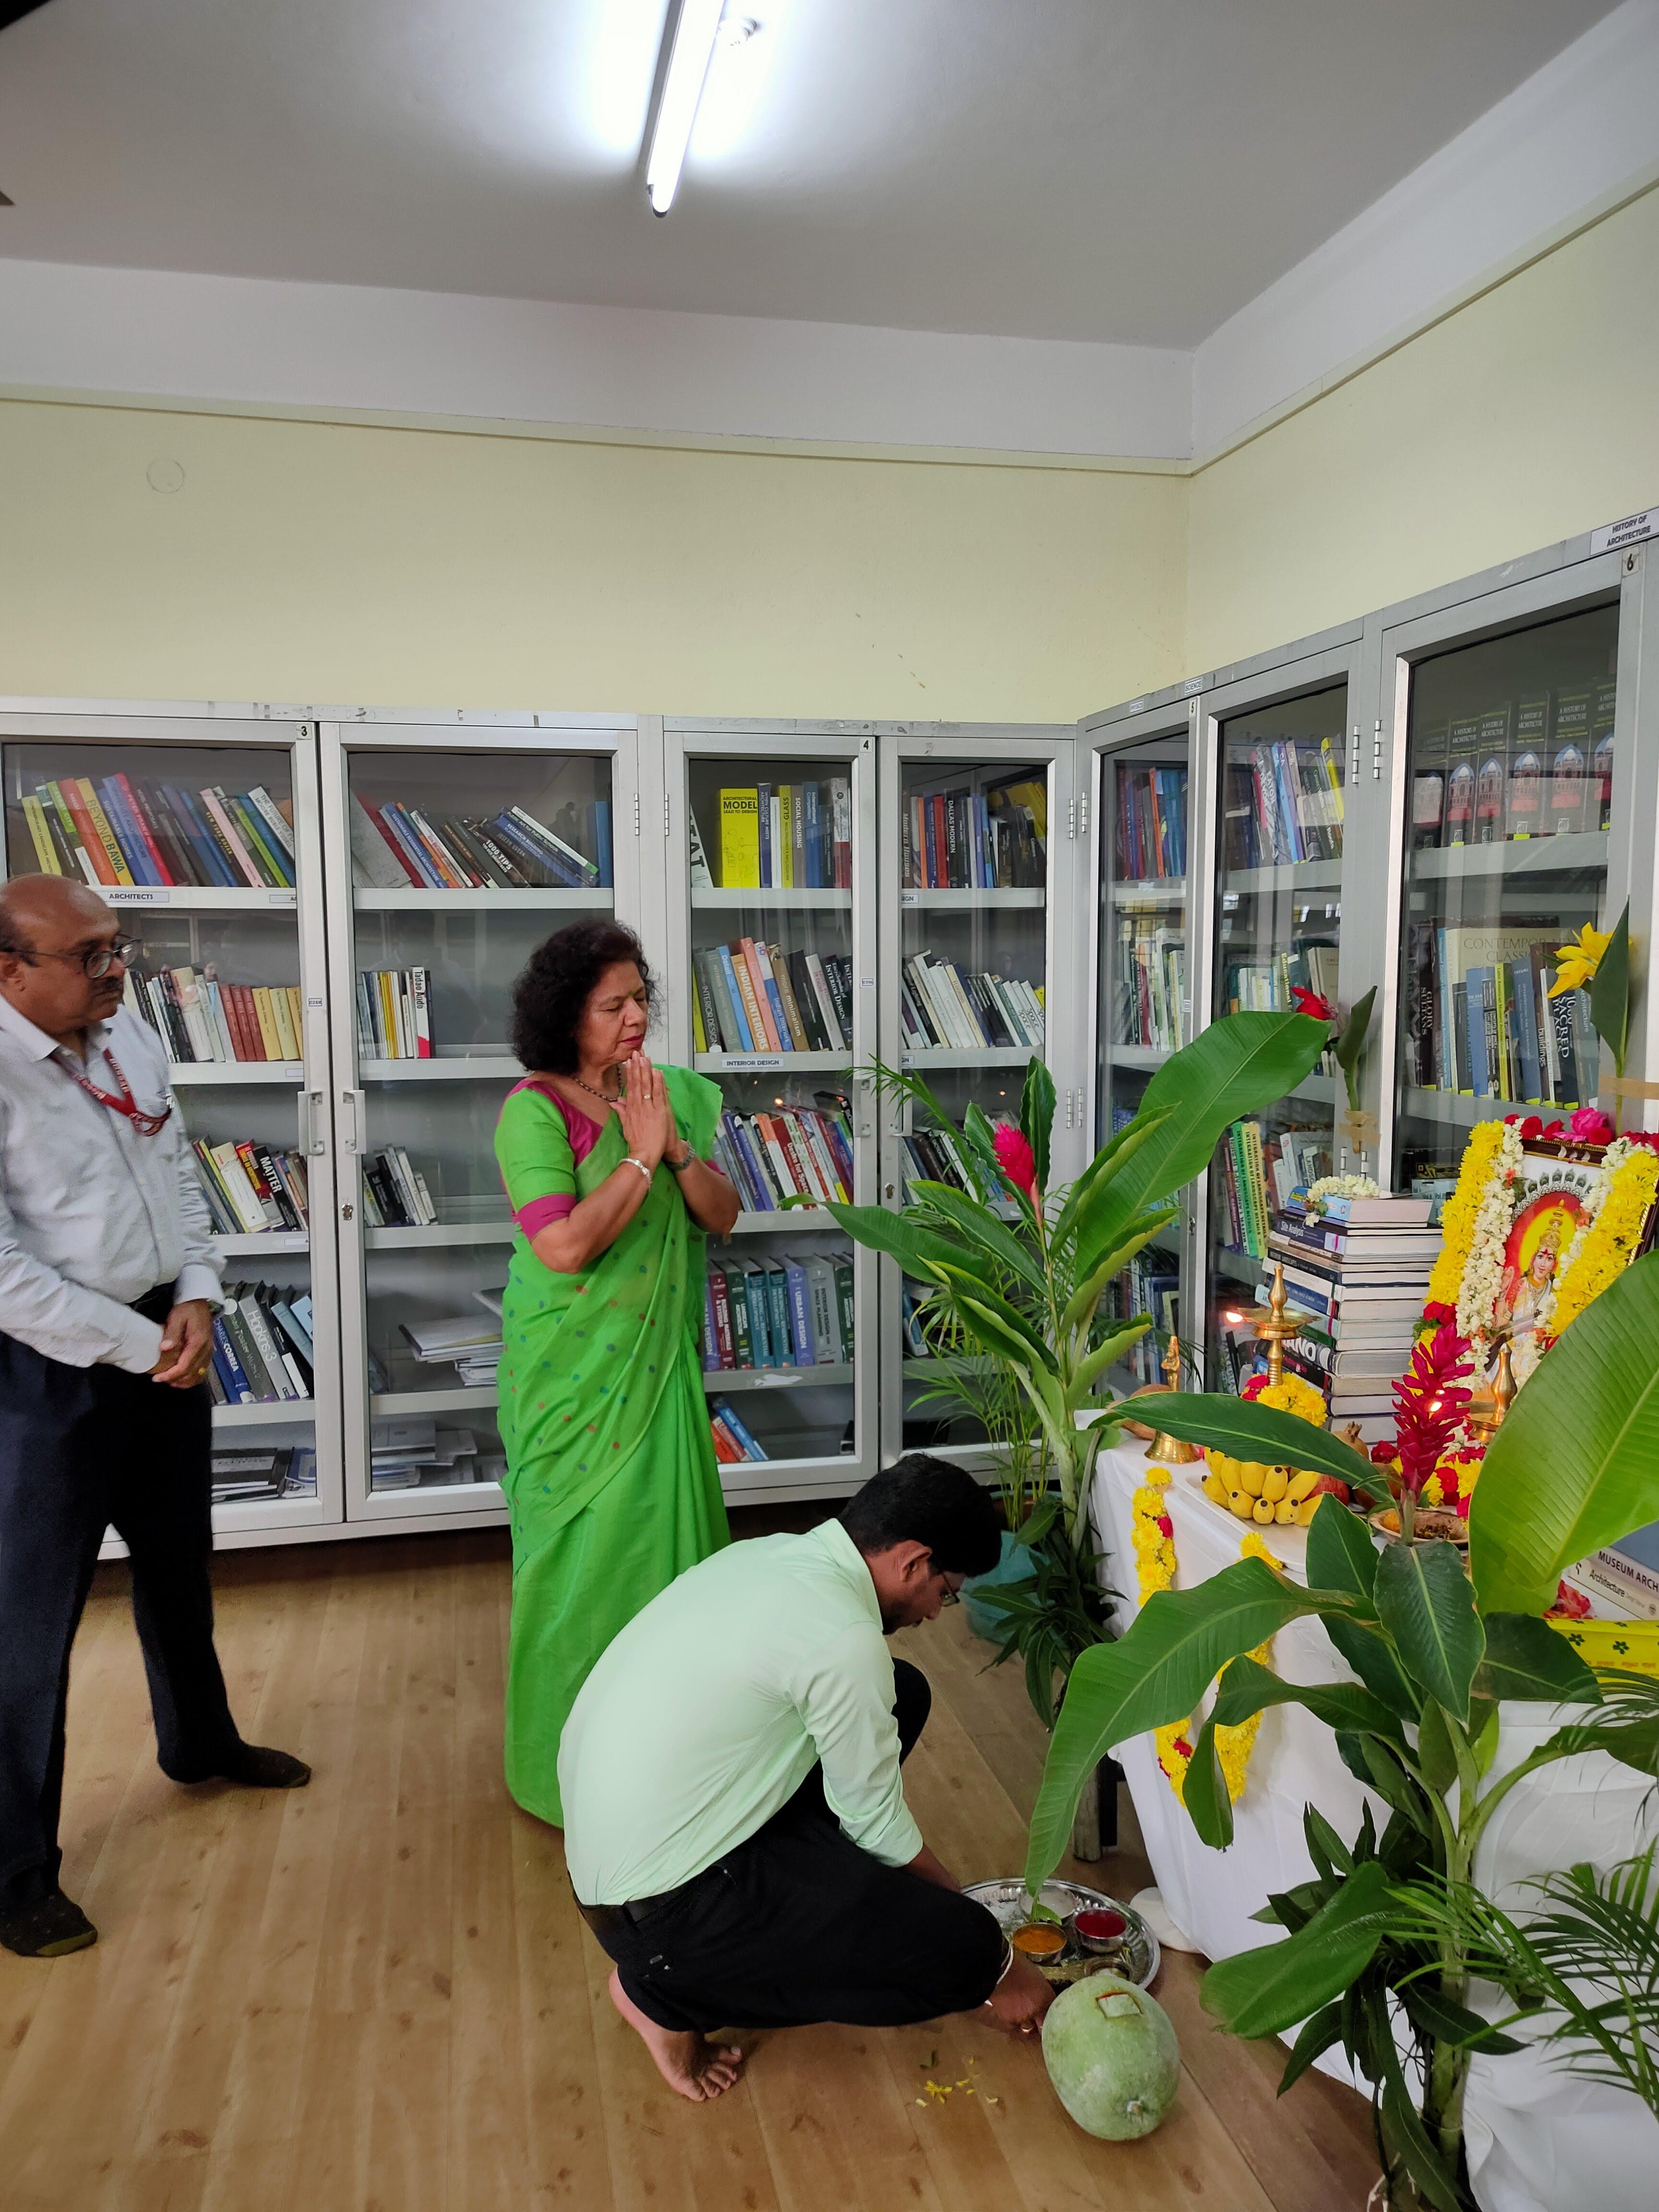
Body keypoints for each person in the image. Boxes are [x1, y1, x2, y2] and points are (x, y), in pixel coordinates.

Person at [0, 875, 310, 1960]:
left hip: (162, 1337)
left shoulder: (127, 1037)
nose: (112, 969)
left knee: (181, 1565)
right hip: (51, 1374)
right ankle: (16, 1874)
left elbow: (181, 1181)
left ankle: (202, 1744)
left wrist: (198, 1292)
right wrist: (144, 1348)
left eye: (115, 947)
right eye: (86, 955)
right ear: (9, 971)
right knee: (28, 1625)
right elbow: (4, 1277)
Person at [559, 1455, 1055, 2101]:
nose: (937, 1612)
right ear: (911, 1560)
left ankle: (762, 1922)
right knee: (960, 1948)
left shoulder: (768, 1556)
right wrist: (996, 1960)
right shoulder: (842, 1638)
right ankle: (662, 1995)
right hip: (663, 1915)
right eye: (946, 1590)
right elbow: (876, 1824)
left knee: (901, 1693)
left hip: (623, 1862)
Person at [493, 919, 739, 1827]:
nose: (637, 1017)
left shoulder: (670, 1094)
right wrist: (637, 1155)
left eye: (641, 998)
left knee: (668, 1577)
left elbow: (725, 1216)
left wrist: (674, 1149)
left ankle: (671, 1764)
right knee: (580, 1576)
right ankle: (560, 1772)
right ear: (569, 1017)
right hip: (571, 1377)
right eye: (614, 1005)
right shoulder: (535, 1109)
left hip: (657, 1371)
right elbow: (561, 1246)